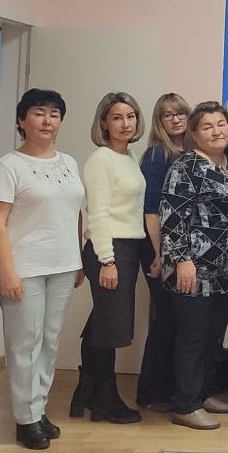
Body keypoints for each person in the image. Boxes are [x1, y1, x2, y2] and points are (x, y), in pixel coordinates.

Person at [0, 88, 85, 450]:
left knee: (49, 341)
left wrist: (78, 259)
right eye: (39, 113)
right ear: (22, 120)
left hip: (63, 264)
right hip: (24, 267)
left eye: (54, 114)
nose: (47, 121)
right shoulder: (8, 165)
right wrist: (8, 271)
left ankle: (39, 409)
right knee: (24, 344)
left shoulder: (69, 162)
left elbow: (76, 213)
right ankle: (25, 418)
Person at [159, 102, 228, 429]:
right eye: (207, 127)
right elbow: (172, 215)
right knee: (192, 337)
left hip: (225, 270)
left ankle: (203, 393)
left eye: (221, 124)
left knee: (212, 337)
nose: (217, 131)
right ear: (194, 135)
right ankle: (186, 404)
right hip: (193, 269)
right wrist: (182, 259)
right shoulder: (186, 165)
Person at [72, 91, 148, 425]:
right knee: (110, 328)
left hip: (128, 248)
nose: (125, 123)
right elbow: (98, 213)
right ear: (104, 122)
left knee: (101, 323)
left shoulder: (128, 156)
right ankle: (105, 399)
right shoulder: (101, 159)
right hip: (109, 249)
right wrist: (107, 261)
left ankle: (85, 392)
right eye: (117, 117)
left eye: (130, 116)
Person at [135, 93, 190, 413]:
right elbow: (150, 210)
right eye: (168, 115)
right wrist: (158, 254)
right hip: (158, 246)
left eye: (181, 113)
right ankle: (151, 392)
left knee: (178, 320)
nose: (176, 119)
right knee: (165, 319)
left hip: (179, 247)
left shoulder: (189, 153)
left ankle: (171, 388)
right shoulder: (157, 155)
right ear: (159, 121)